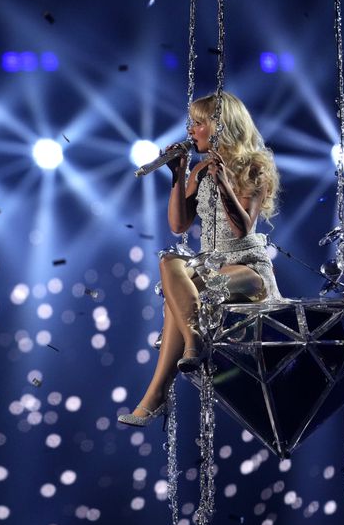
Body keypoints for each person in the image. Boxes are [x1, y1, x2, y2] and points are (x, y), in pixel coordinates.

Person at [118, 91, 282, 427]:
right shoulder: (199, 171)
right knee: (169, 263)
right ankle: (192, 346)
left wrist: (223, 182)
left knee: (175, 302)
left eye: (198, 123)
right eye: (191, 124)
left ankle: (157, 394)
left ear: (221, 127)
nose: (190, 131)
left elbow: (241, 229)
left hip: (249, 269)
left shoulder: (256, 167)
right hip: (212, 264)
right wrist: (179, 177)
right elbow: (179, 225)